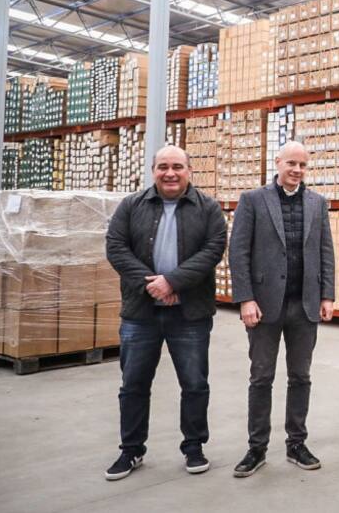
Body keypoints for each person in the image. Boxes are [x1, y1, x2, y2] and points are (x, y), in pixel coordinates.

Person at [103, 145, 227, 481]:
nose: (170, 173)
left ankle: (194, 447)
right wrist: (152, 285)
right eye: (163, 167)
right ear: (153, 170)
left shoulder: (208, 208)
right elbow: (115, 246)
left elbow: (213, 249)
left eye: (177, 167)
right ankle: (131, 451)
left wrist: (172, 282)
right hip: (140, 312)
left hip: (190, 313)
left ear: (189, 170)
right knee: (133, 384)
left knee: (195, 383)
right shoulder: (131, 206)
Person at [228, 141, 335, 477]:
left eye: (303, 165)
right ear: (277, 162)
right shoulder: (253, 201)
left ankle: (296, 443)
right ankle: (256, 447)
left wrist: (327, 296)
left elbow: (326, 252)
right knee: (261, 377)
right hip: (263, 306)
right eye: (291, 163)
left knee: (300, 376)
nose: (297, 170)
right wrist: (245, 298)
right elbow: (238, 252)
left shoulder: (318, 203)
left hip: (304, 306)